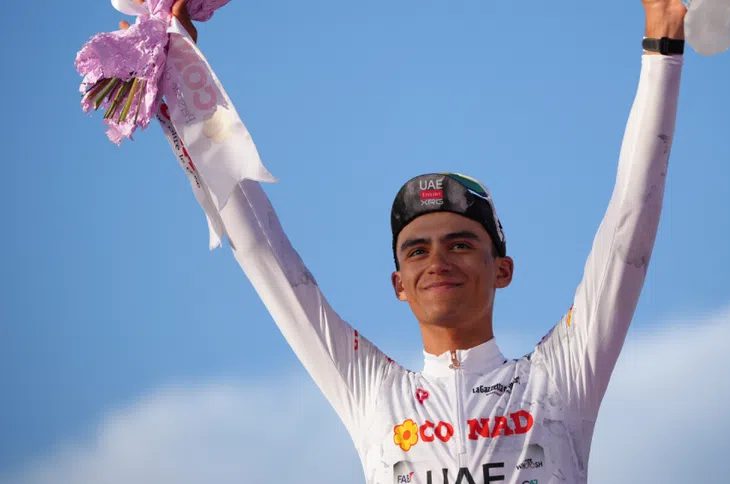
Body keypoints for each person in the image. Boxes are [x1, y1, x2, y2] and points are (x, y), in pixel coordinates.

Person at [122, 0, 686, 482]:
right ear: (398, 284)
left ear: (502, 269)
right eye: (417, 250)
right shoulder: (373, 393)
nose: (437, 260)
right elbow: (262, 252)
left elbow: (629, 226)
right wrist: (183, 86)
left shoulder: (557, 381)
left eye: (460, 244)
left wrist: (663, 40)